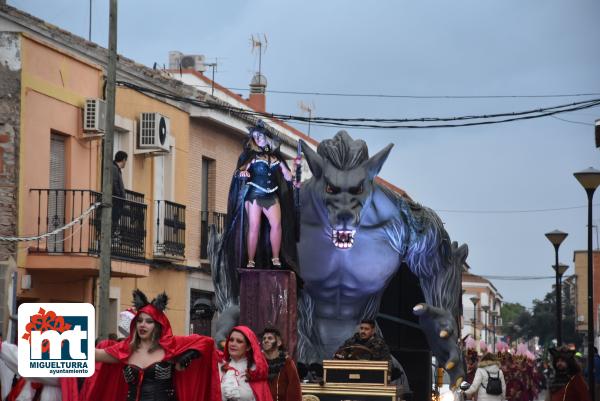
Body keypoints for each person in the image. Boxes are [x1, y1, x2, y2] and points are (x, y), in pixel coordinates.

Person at [83, 289, 221, 401]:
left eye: (149, 321)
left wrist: (188, 356)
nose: (143, 325)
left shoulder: (170, 347)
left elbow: (206, 342)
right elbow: (94, 354)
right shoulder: (125, 349)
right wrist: (66, 340)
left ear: (158, 325)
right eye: (139, 321)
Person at [223, 120, 297, 270]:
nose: (257, 139)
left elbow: (287, 175)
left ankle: (275, 258)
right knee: (254, 226)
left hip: (271, 194)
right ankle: (251, 260)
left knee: (277, 225)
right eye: (255, 136)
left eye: (260, 136)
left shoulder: (277, 159)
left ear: (267, 138)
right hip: (255, 194)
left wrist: (293, 177)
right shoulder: (251, 157)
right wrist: (242, 172)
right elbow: (241, 169)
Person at [219, 326, 272, 401]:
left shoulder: (255, 371)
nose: (233, 344)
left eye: (239, 341)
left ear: (248, 347)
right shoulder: (221, 366)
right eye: (231, 340)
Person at [260, 328, 301, 401]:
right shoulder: (258, 362)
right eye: (264, 339)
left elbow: (294, 390)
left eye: (270, 338)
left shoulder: (287, 362)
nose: (265, 340)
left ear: (279, 343)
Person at [112, 151, 128, 229]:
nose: (126, 163)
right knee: (113, 224)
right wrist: (119, 196)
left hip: (117, 202)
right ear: (124, 160)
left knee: (115, 224)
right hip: (115, 202)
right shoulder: (114, 168)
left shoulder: (116, 169)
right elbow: (114, 183)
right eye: (126, 161)